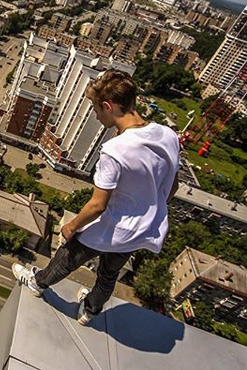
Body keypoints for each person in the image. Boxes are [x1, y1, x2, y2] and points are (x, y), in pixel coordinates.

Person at [12, 69, 180, 325]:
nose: (95, 114)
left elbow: (97, 205)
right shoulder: (167, 135)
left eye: (95, 108)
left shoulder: (115, 150)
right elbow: (173, 186)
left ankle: (37, 282)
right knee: (108, 274)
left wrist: (71, 226)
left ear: (108, 106)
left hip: (111, 226)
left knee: (68, 257)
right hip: (140, 230)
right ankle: (89, 311)